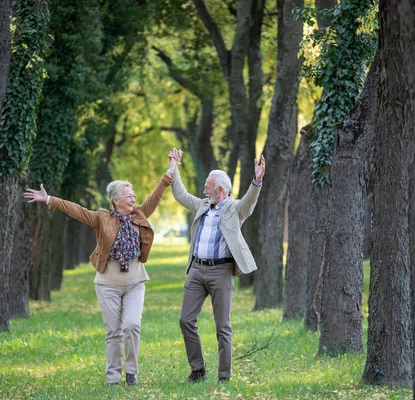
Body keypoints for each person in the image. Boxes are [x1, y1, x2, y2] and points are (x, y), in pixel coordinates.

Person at [23, 157, 178, 385]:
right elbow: (76, 210)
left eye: (134, 196)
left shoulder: (140, 214)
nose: (133, 199)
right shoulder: (102, 218)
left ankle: (132, 372)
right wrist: (49, 199)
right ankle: (113, 377)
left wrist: (171, 168)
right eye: (128, 196)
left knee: (132, 325)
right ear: (115, 201)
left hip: (135, 281)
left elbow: (156, 194)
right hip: (107, 283)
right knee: (113, 331)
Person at [168, 148, 265, 383]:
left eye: (207, 187)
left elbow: (249, 203)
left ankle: (224, 376)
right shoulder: (202, 205)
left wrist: (257, 181)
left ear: (220, 190)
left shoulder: (235, 209)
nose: (204, 190)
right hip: (196, 270)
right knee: (185, 320)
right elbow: (180, 195)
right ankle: (198, 370)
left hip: (221, 272)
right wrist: (174, 168)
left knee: (222, 326)